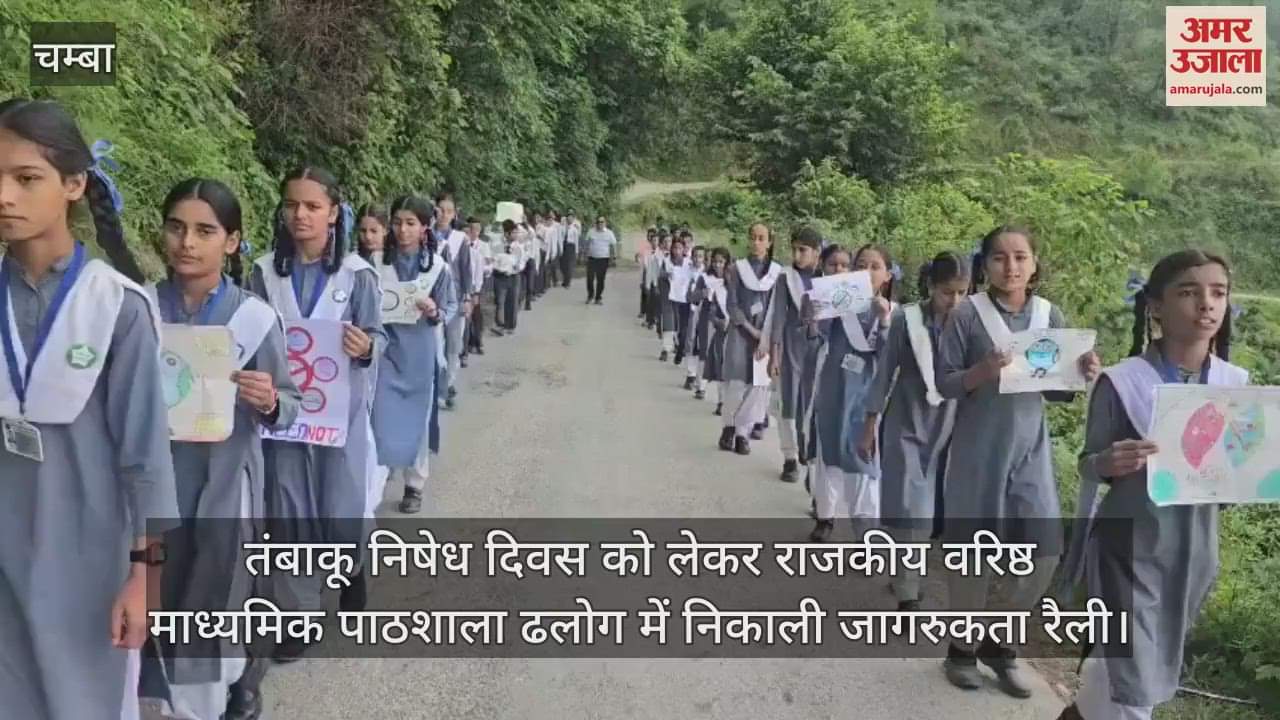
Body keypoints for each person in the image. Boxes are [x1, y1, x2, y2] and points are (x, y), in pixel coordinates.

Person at [0, 97, 179, 720]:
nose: (5, 196)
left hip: (89, 562)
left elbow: (146, 457)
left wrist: (145, 575)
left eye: (26, 179)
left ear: (74, 185)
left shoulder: (116, 306)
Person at [1055, 250, 1243, 720]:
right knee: (1133, 681)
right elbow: (1087, 465)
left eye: (1217, 293)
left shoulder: (1234, 385)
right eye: (1188, 292)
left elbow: (1232, 481)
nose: (1206, 304)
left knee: (1121, 673)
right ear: (1155, 307)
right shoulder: (1123, 383)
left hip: (1191, 550)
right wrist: (1108, 462)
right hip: (1128, 548)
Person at [139, 178, 300, 720]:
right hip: (148, 487)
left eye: (205, 231)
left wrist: (270, 397)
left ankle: (219, 693)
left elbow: (293, 402)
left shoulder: (252, 318)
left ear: (231, 242)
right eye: (177, 227)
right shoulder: (138, 307)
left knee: (210, 602)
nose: (188, 242)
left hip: (222, 489)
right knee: (150, 598)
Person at [936, 225, 1100, 697]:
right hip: (976, 449)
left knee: (1044, 552)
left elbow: (1055, 386)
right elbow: (945, 383)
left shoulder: (1050, 315)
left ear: (1034, 263)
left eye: (1020, 257)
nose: (1011, 267)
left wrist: (1082, 372)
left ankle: (997, 641)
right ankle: (962, 650)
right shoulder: (969, 315)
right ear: (984, 265)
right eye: (999, 258)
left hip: (1030, 449)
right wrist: (980, 371)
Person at [249, 165, 385, 662]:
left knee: (341, 509)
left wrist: (367, 344)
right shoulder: (262, 273)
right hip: (284, 420)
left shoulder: (357, 276)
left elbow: (379, 337)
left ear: (333, 213)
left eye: (312, 206)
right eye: (292, 205)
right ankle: (298, 614)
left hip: (338, 418)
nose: (300, 214)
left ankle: (353, 567)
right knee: (289, 518)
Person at [860, 251, 969, 610]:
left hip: (948, 425)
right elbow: (884, 372)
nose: (954, 301)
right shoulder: (909, 320)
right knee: (911, 507)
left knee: (926, 509)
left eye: (961, 293)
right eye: (946, 293)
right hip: (906, 422)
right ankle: (908, 592)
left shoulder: (968, 322)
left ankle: (905, 574)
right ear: (931, 287)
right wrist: (870, 423)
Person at [372, 196, 457, 515]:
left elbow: (448, 307)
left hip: (420, 352)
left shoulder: (437, 267)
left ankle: (414, 484)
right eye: (397, 223)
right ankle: (376, 479)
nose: (403, 230)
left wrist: (434, 311)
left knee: (419, 421)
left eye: (410, 223)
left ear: (424, 228)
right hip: (383, 351)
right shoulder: (376, 263)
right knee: (379, 416)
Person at [806, 244, 896, 542]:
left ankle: (867, 535)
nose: (867, 272)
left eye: (875, 266)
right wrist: (813, 314)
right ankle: (825, 517)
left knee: (862, 466)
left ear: (887, 275)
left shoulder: (893, 315)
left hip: (864, 399)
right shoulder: (840, 301)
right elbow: (815, 332)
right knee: (827, 456)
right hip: (833, 390)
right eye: (861, 265)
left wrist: (883, 322)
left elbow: (889, 359)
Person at [718, 223, 783, 455]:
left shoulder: (777, 272)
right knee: (736, 383)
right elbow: (732, 304)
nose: (756, 242)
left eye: (761, 238)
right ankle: (729, 425)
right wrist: (750, 330)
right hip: (741, 330)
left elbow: (777, 308)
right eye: (753, 237)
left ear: (769, 242)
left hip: (765, 336)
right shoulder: (737, 269)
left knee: (757, 387)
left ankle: (742, 433)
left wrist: (766, 337)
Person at [767, 226, 823, 484]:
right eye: (795, 249)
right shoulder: (785, 278)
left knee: (812, 405)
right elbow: (778, 317)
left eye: (804, 250)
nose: (798, 255)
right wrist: (774, 355)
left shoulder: (827, 277)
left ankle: (811, 458)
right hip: (791, 345)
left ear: (817, 252)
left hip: (819, 347)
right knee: (788, 402)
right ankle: (790, 456)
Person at [434, 193, 470, 410]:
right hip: (434, 300)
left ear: (455, 214)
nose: (445, 215)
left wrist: (468, 297)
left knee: (453, 346)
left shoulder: (459, 239)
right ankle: (438, 386)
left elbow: (466, 270)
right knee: (436, 347)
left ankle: (447, 385)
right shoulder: (426, 235)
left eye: (449, 211)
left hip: (455, 299)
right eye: (441, 210)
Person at [695, 247, 732, 409]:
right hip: (714, 322)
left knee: (730, 363)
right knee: (713, 357)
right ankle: (717, 397)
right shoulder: (705, 278)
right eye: (715, 261)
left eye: (721, 262)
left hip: (734, 326)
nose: (718, 265)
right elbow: (693, 298)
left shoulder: (733, 281)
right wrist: (702, 294)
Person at [657, 235, 687, 362]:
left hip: (682, 297)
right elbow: (660, 274)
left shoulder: (688, 263)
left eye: (680, 248)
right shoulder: (666, 261)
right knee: (669, 322)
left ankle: (679, 346)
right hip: (668, 295)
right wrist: (668, 274)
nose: (677, 251)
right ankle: (666, 348)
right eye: (675, 248)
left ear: (684, 249)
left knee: (680, 322)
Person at [491, 219, 523, 336]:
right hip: (500, 276)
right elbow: (493, 260)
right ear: (506, 233)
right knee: (500, 301)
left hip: (514, 276)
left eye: (516, 232)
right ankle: (500, 324)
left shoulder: (518, 246)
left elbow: (522, 260)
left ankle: (511, 325)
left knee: (513, 300)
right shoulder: (497, 245)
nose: (515, 235)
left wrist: (517, 267)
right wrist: (500, 267)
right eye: (513, 233)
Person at [682, 245, 708, 391]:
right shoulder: (688, 271)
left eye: (701, 256)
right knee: (690, 341)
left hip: (706, 312)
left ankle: (701, 380)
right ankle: (690, 374)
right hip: (692, 309)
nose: (698, 259)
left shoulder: (707, 274)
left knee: (702, 344)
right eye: (696, 256)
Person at [464, 216, 490, 356]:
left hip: (478, 284)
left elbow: (488, 264)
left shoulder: (483, 246)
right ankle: (468, 343)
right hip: (466, 284)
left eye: (478, 229)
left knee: (477, 315)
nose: (476, 232)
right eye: (473, 229)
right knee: (467, 316)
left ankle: (478, 342)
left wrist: (477, 290)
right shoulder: (463, 245)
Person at [584, 215, 617, 304]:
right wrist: (584, 255)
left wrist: (613, 258)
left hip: (603, 259)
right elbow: (587, 243)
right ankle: (590, 295)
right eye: (598, 222)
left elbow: (613, 245)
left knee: (600, 279)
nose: (600, 224)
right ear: (596, 223)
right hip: (592, 258)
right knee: (590, 278)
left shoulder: (609, 233)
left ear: (605, 223)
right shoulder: (591, 231)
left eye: (602, 222)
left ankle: (598, 297)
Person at [560, 209, 580, 288]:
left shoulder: (575, 229)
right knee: (563, 265)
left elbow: (576, 241)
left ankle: (567, 282)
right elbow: (560, 236)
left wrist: (577, 251)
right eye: (568, 217)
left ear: (573, 219)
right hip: (563, 246)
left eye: (571, 217)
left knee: (569, 265)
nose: (569, 219)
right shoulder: (562, 227)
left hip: (571, 246)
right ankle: (565, 279)